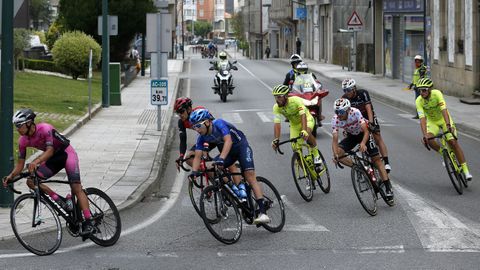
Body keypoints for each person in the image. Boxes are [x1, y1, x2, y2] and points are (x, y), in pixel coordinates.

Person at [2, 109, 95, 237]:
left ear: (29, 123)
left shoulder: (45, 128)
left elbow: (50, 151)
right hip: (53, 160)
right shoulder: (23, 141)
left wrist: (36, 161)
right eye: (16, 126)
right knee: (31, 181)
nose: (17, 129)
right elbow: (20, 165)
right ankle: (62, 201)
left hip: (67, 154)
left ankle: (89, 221)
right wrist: (11, 176)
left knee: (76, 187)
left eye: (19, 125)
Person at [189, 109, 271, 224]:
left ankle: (263, 213)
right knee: (211, 167)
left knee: (249, 176)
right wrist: (194, 172)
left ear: (207, 122)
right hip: (229, 153)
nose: (197, 129)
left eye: (198, 126)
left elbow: (228, 141)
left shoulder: (219, 123)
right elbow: (197, 156)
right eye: (194, 127)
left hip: (241, 147)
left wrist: (221, 159)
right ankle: (233, 190)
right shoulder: (201, 137)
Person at [331, 99, 394, 200]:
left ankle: (388, 187)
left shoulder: (355, 112)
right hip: (352, 136)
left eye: (341, 112)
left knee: (376, 160)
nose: (339, 115)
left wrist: (363, 143)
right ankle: (358, 168)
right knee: (339, 155)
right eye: (336, 112)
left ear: (347, 110)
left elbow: (366, 131)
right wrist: (335, 154)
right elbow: (334, 140)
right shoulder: (336, 119)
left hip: (364, 134)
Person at [416, 78, 473, 180]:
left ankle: (466, 170)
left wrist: (448, 125)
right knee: (428, 139)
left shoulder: (437, 94)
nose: (421, 92)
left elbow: (444, 110)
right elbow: (422, 119)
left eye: (424, 90)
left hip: (443, 120)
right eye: (419, 90)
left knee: (453, 142)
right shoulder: (419, 101)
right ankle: (444, 154)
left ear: (429, 89)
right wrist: (425, 135)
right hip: (432, 122)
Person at [341, 78, 392, 173]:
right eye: (345, 90)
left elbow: (368, 108)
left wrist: (371, 123)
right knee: (357, 137)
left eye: (348, 90)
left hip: (368, 116)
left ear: (354, 88)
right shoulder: (344, 98)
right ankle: (365, 162)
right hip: (357, 120)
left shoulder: (363, 93)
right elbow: (343, 115)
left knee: (377, 136)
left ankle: (386, 162)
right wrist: (345, 128)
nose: (347, 92)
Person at [270, 85, 322, 165]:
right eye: (275, 97)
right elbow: (277, 124)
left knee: (307, 134)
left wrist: (304, 130)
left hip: (307, 120)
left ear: (286, 96)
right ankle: (308, 173)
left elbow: (303, 115)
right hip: (294, 125)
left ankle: (316, 155)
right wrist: (276, 139)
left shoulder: (296, 100)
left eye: (279, 97)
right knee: (296, 150)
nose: (277, 100)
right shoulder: (276, 107)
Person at [409, 55, 427, 119]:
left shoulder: (422, 69)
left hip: (421, 88)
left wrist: (417, 86)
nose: (417, 63)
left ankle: (422, 115)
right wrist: (412, 84)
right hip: (417, 88)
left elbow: (421, 78)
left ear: (421, 62)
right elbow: (415, 78)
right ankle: (419, 114)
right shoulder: (417, 69)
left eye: (418, 62)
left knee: (421, 101)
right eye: (416, 62)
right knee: (418, 101)